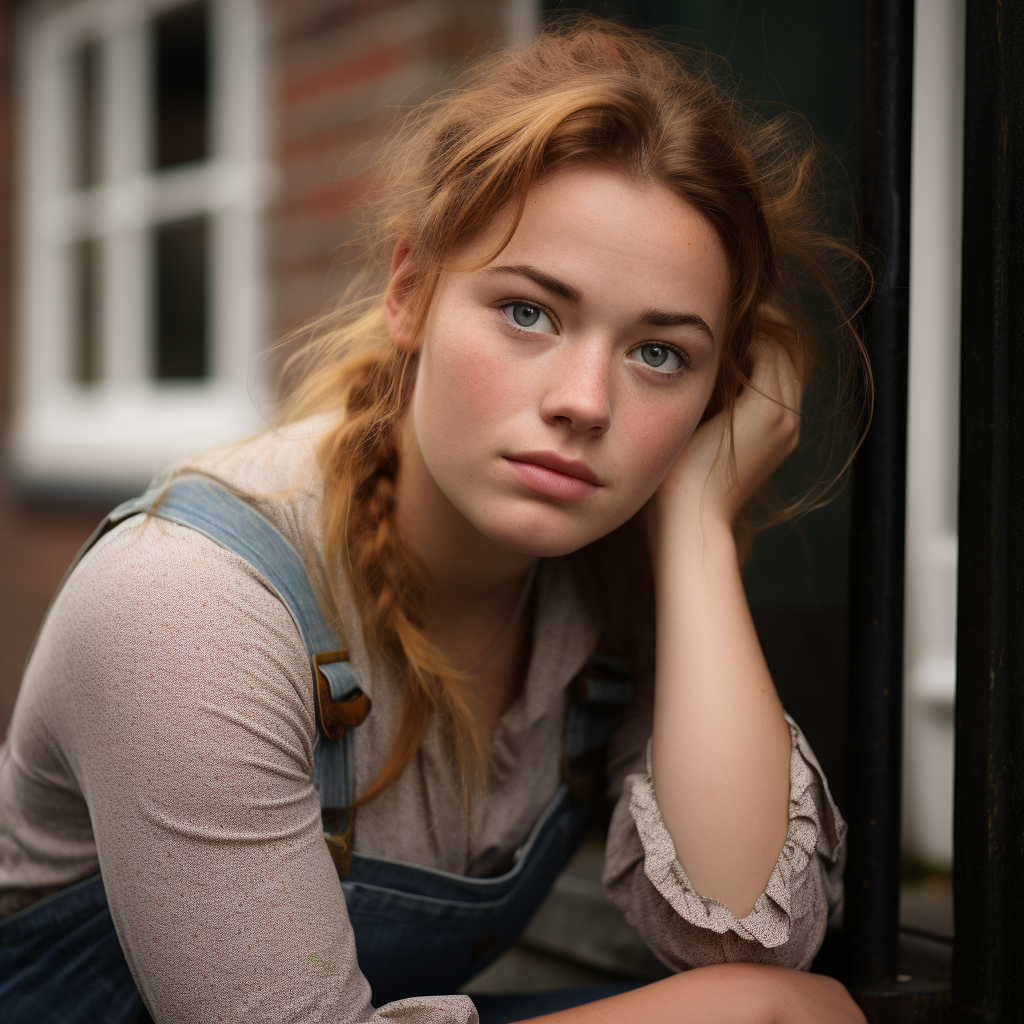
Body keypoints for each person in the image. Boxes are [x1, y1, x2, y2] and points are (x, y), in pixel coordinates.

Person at [0, 18, 869, 1024]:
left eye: (660, 355)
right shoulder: (186, 603)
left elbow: (742, 928)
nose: (585, 400)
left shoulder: (605, 590)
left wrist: (695, 531)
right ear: (409, 292)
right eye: (529, 312)